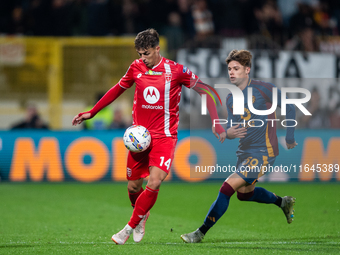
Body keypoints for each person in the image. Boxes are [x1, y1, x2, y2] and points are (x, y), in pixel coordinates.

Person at [72, 28, 226, 245]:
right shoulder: (136, 68)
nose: (142, 59)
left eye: (146, 53)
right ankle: (142, 214)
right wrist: (92, 112)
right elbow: (118, 88)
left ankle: (128, 228)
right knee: (133, 187)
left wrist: (217, 122)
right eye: (139, 54)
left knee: (154, 181)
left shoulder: (176, 71)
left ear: (157, 48)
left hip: (164, 137)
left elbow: (208, 91)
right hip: (139, 139)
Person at [181, 49, 298, 243]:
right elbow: (234, 129)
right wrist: (225, 133)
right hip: (245, 152)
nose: (232, 72)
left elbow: (290, 107)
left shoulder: (264, 89)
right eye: (229, 69)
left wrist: (290, 137)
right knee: (245, 195)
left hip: (264, 152)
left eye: (236, 68)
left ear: (247, 69)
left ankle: (200, 233)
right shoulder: (230, 99)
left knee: (227, 188)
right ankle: (282, 202)